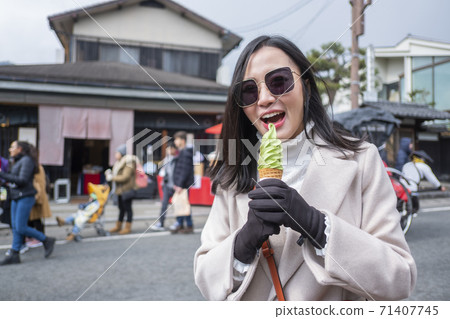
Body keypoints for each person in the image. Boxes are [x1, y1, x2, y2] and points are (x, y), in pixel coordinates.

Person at [193, 35, 416, 300]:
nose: (264, 99)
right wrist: (243, 242)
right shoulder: (235, 170)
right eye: (249, 91)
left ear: (306, 87)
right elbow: (206, 279)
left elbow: (399, 278)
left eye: (279, 82)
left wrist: (317, 225)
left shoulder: (361, 160)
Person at [0, 141, 55, 265]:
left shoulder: (27, 161)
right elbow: (13, 180)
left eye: (12, 147)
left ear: (19, 149)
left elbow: (22, 180)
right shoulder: (18, 161)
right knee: (15, 227)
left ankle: (46, 240)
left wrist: (2, 174)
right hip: (16, 196)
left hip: (25, 196)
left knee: (20, 226)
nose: (10, 149)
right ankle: (14, 254)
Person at [105, 144, 136, 235]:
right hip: (119, 190)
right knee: (121, 209)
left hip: (127, 189)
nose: (115, 154)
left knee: (128, 209)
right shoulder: (119, 162)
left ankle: (127, 227)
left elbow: (125, 177)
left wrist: (112, 178)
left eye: (117, 152)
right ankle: (118, 226)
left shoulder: (129, 162)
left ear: (121, 153)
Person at [170, 131, 194, 234]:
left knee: (183, 204)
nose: (175, 141)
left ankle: (186, 225)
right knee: (181, 203)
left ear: (182, 140)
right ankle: (182, 224)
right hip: (181, 184)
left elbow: (184, 170)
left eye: (177, 139)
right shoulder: (182, 151)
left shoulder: (185, 152)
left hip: (183, 185)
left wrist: (179, 184)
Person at [151, 141, 177, 231]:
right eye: (167, 149)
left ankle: (179, 223)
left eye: (170, 149)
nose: (168, 151)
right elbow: (163, 171)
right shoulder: (166, 159)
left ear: (174, 149)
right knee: (164, 205)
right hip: (166, 185)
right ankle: (161, 223)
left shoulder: (177, 159)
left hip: (175, 186)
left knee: (178, 205)